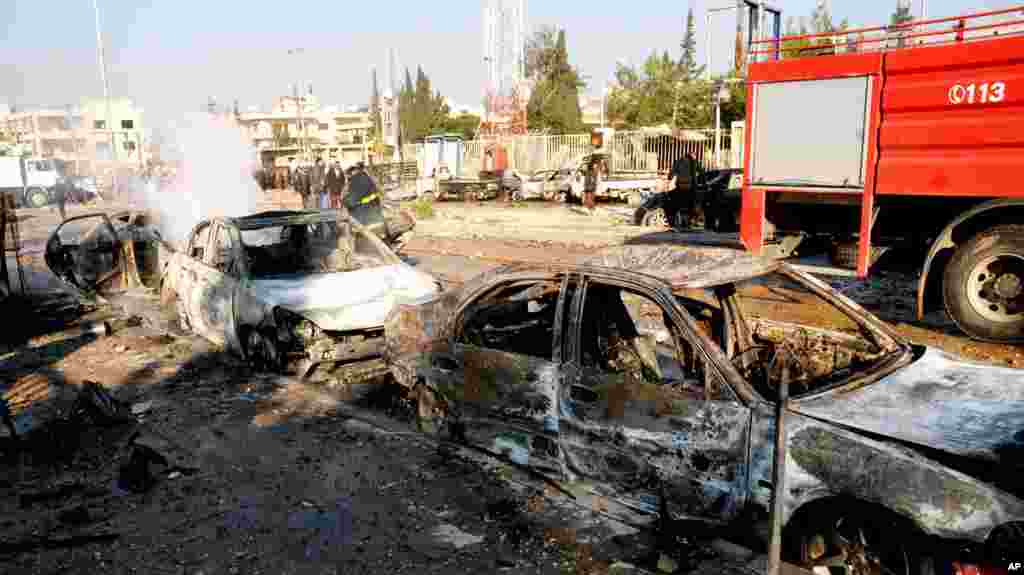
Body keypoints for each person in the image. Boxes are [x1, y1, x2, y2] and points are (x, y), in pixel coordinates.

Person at [665, 152, 700, 229]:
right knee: (690, 205)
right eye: (694, 156)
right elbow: (702, 172)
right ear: (692, 156)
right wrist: (703, 181)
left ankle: (680, 222)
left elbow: (672, 172)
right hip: (691, 187)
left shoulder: (679, 161)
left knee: (680, 204)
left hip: (680, 186)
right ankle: (688, 223)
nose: (695, 157)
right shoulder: (694, 162)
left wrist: (669, 179)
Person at [345, 161, 383, 227]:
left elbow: (354, 198)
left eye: (355, 169)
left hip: (366, 209)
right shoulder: (367, 177)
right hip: (372, 206)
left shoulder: (356, 179)